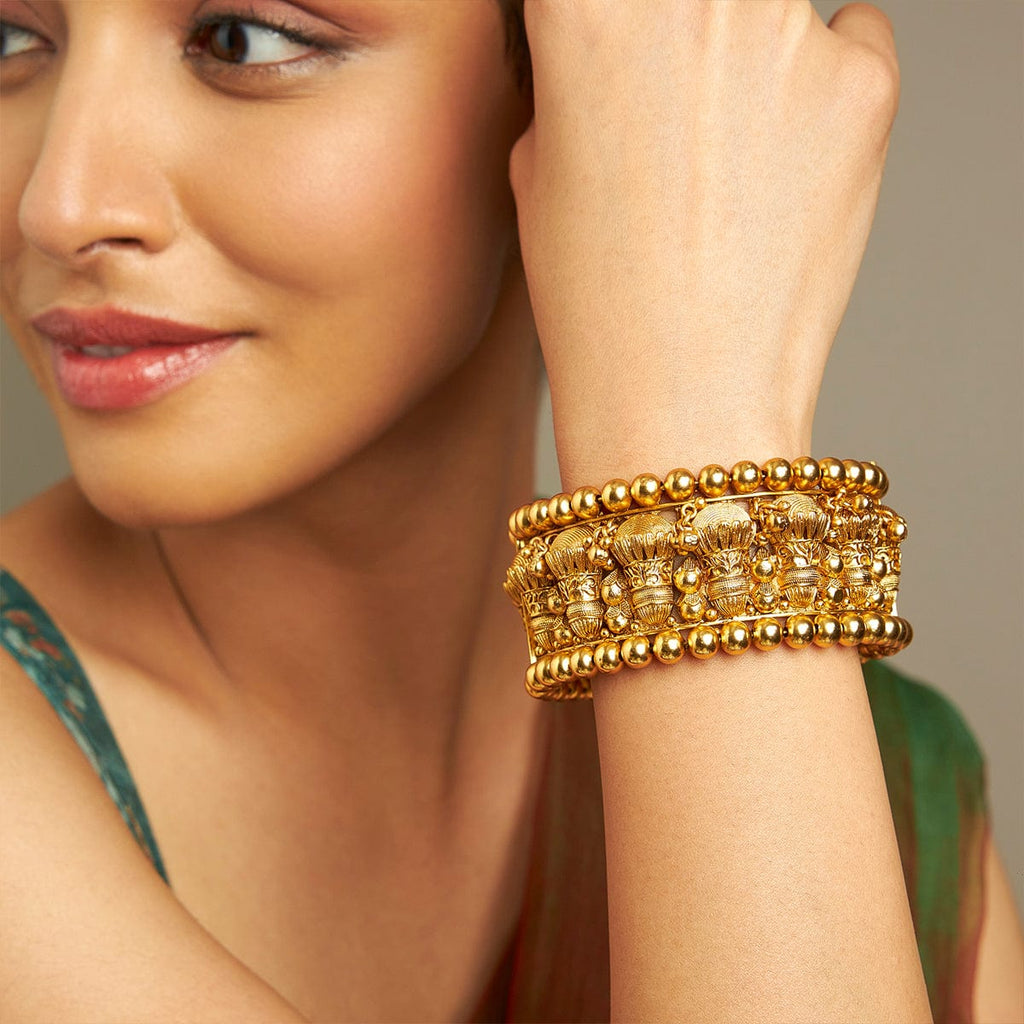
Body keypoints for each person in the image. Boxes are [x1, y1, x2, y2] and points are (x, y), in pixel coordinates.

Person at [0, 1, 1021, 1021]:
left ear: (582, 73)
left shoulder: (892, 796)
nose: (59, 204)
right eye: (10, 38)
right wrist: (695, 423)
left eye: (241, 40)